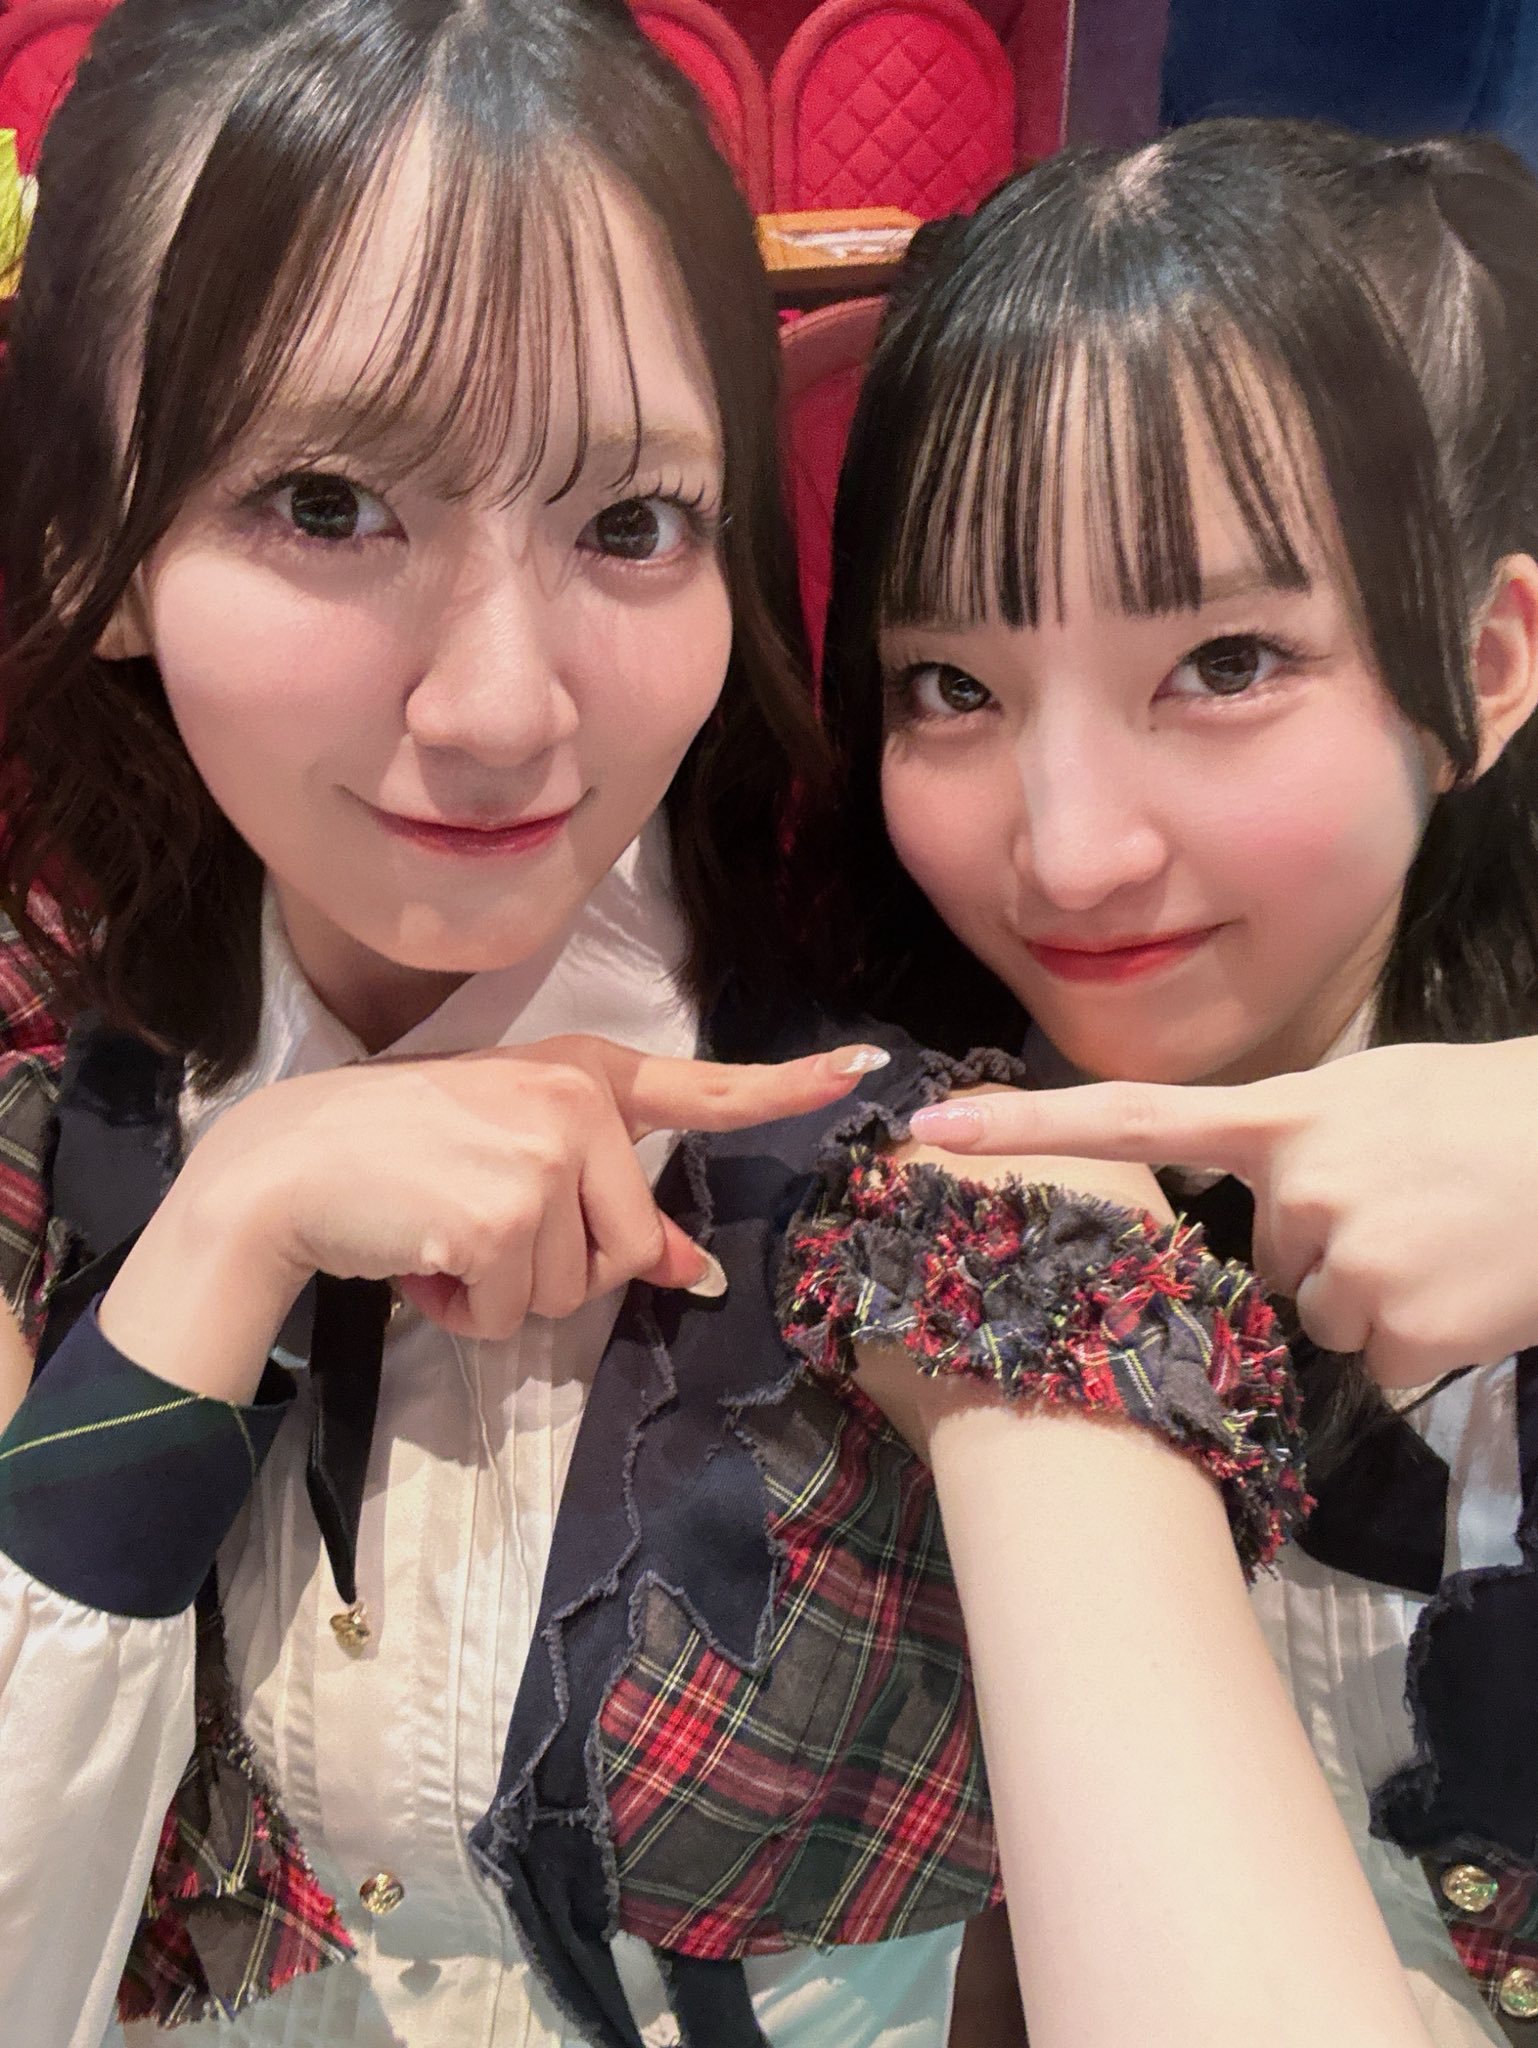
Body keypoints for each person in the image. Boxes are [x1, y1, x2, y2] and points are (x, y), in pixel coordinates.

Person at [0, 7, 1435, 2042]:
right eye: (325, 501)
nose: (502, 710)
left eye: (629, 523)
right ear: (96, 545)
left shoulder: (943, 1190)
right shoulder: (45, 1099)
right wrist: (222, 1240)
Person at [798, 118, 1538, 2045]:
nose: (1068, 855)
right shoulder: (855, 1166)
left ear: (1485, 665)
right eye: (950, 687)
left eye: (1222, 662)